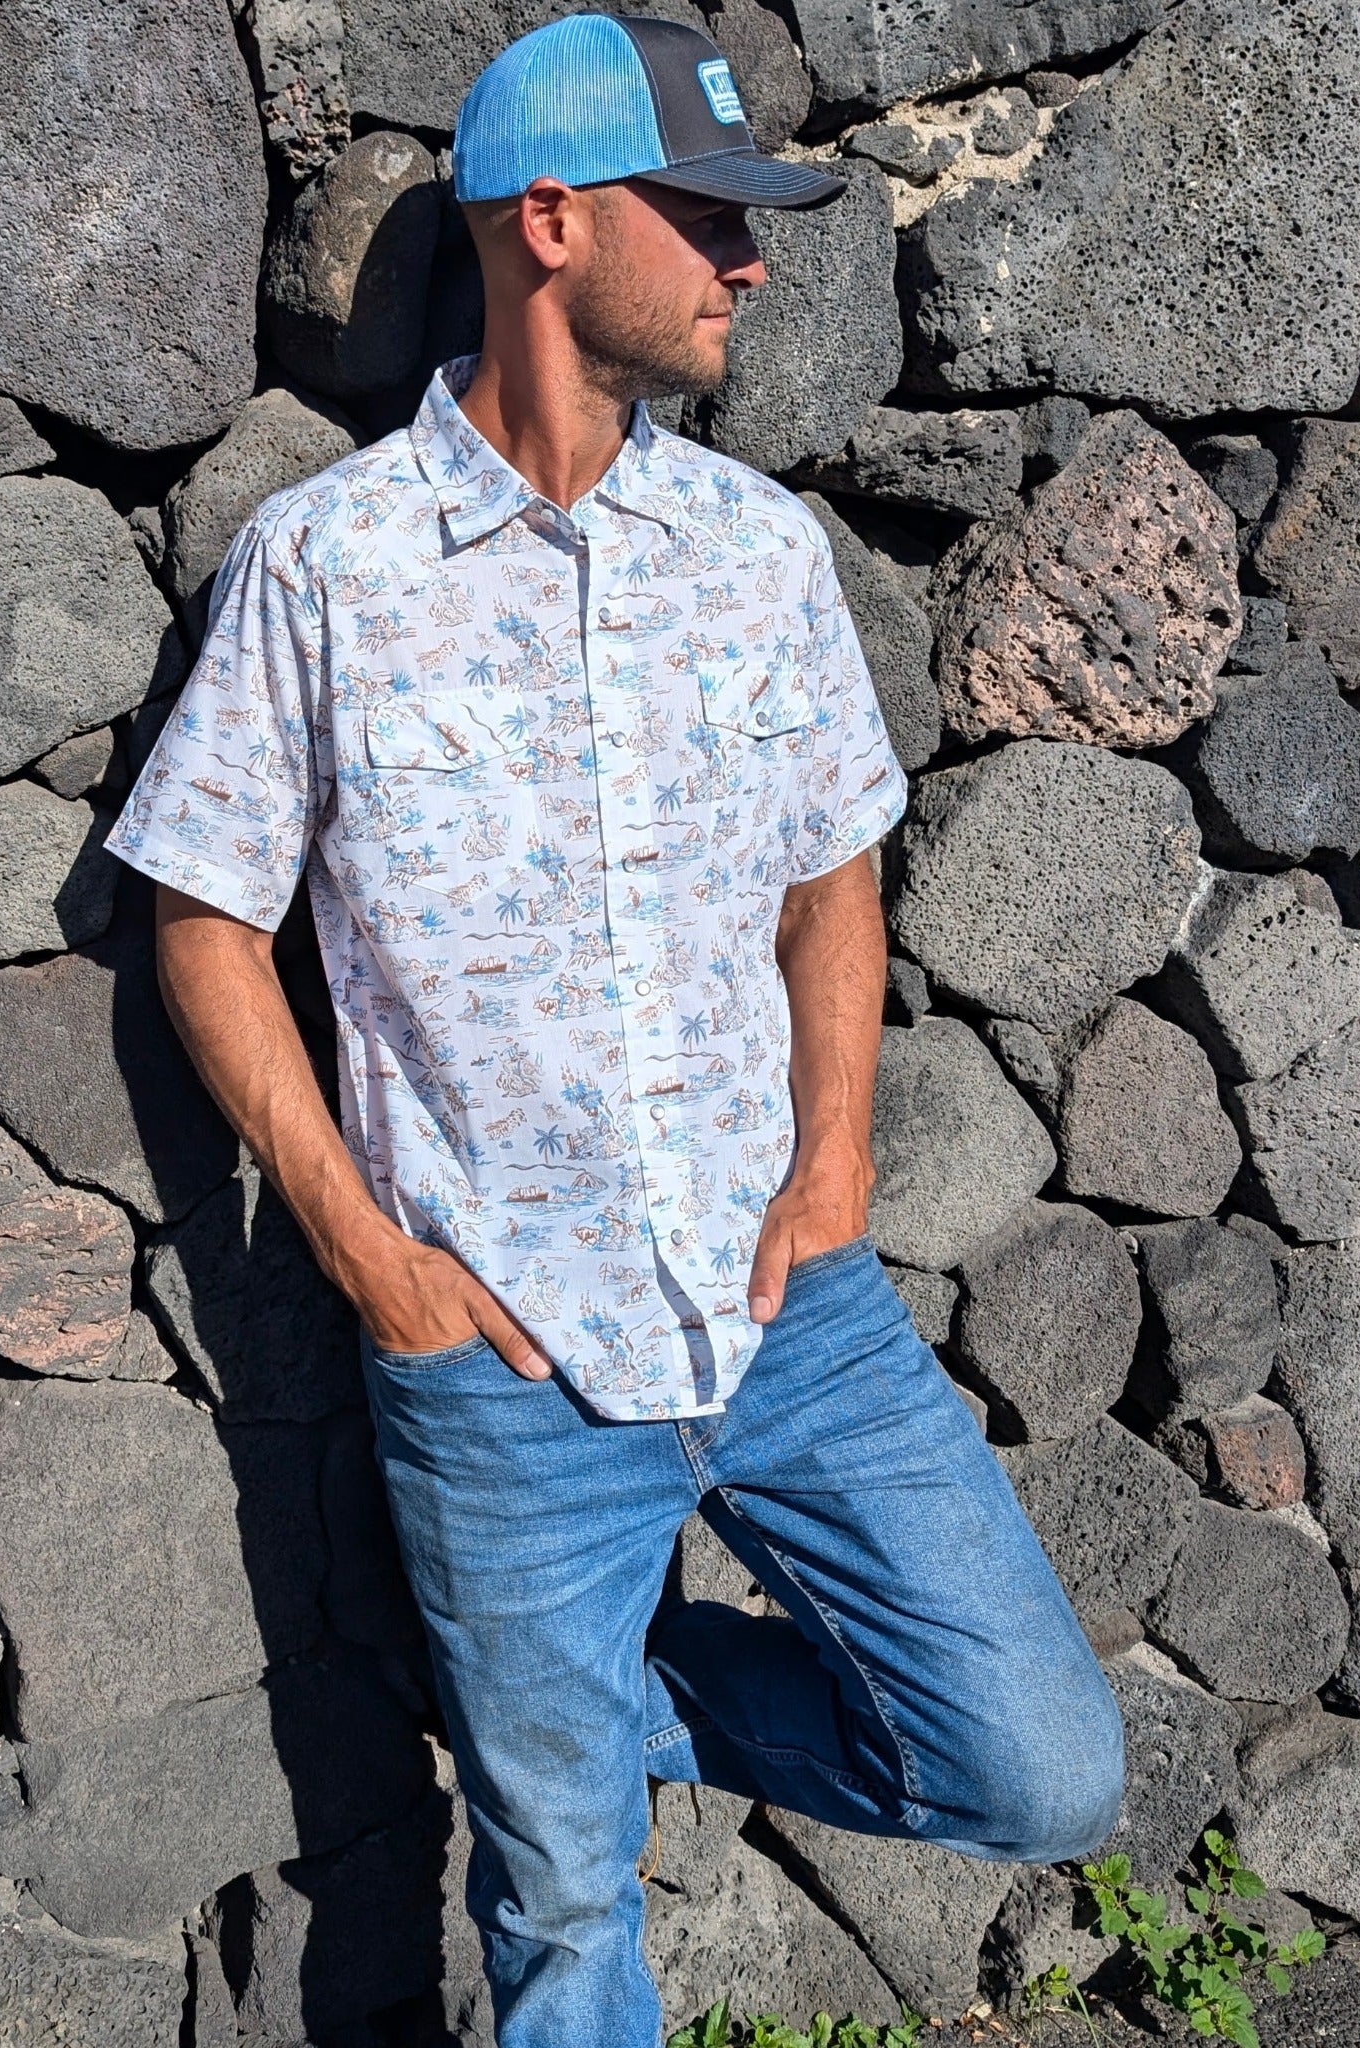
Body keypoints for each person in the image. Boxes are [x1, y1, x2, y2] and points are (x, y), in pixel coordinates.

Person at [109, 14, 1123, 2043]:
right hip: (499, 1348)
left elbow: (832, 866)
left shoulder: (755, 558)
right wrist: (364, 1255)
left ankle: (567, 1707)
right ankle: (539, 1731)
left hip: (785, 1305)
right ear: (552, 223)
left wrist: (834, 1161)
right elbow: (203, 915)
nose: (749, 265)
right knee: (563, 1916)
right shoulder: (325, 570)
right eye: (712, 219)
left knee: (1041, 1766)